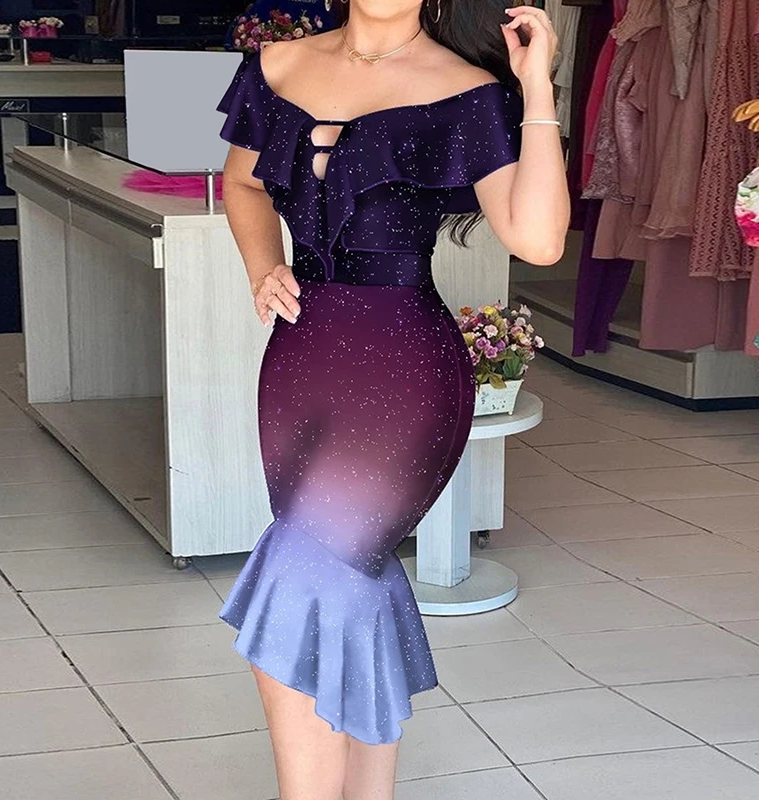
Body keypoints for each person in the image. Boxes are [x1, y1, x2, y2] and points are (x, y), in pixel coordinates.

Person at [216, 1, 569, 798]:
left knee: (304, 575)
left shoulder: (467, 90)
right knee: (351, 576)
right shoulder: (276, 66)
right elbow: (240, 181)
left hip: (404, 371)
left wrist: (536, 89)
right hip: (300, 360)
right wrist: (262, 264)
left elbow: (540, 238)